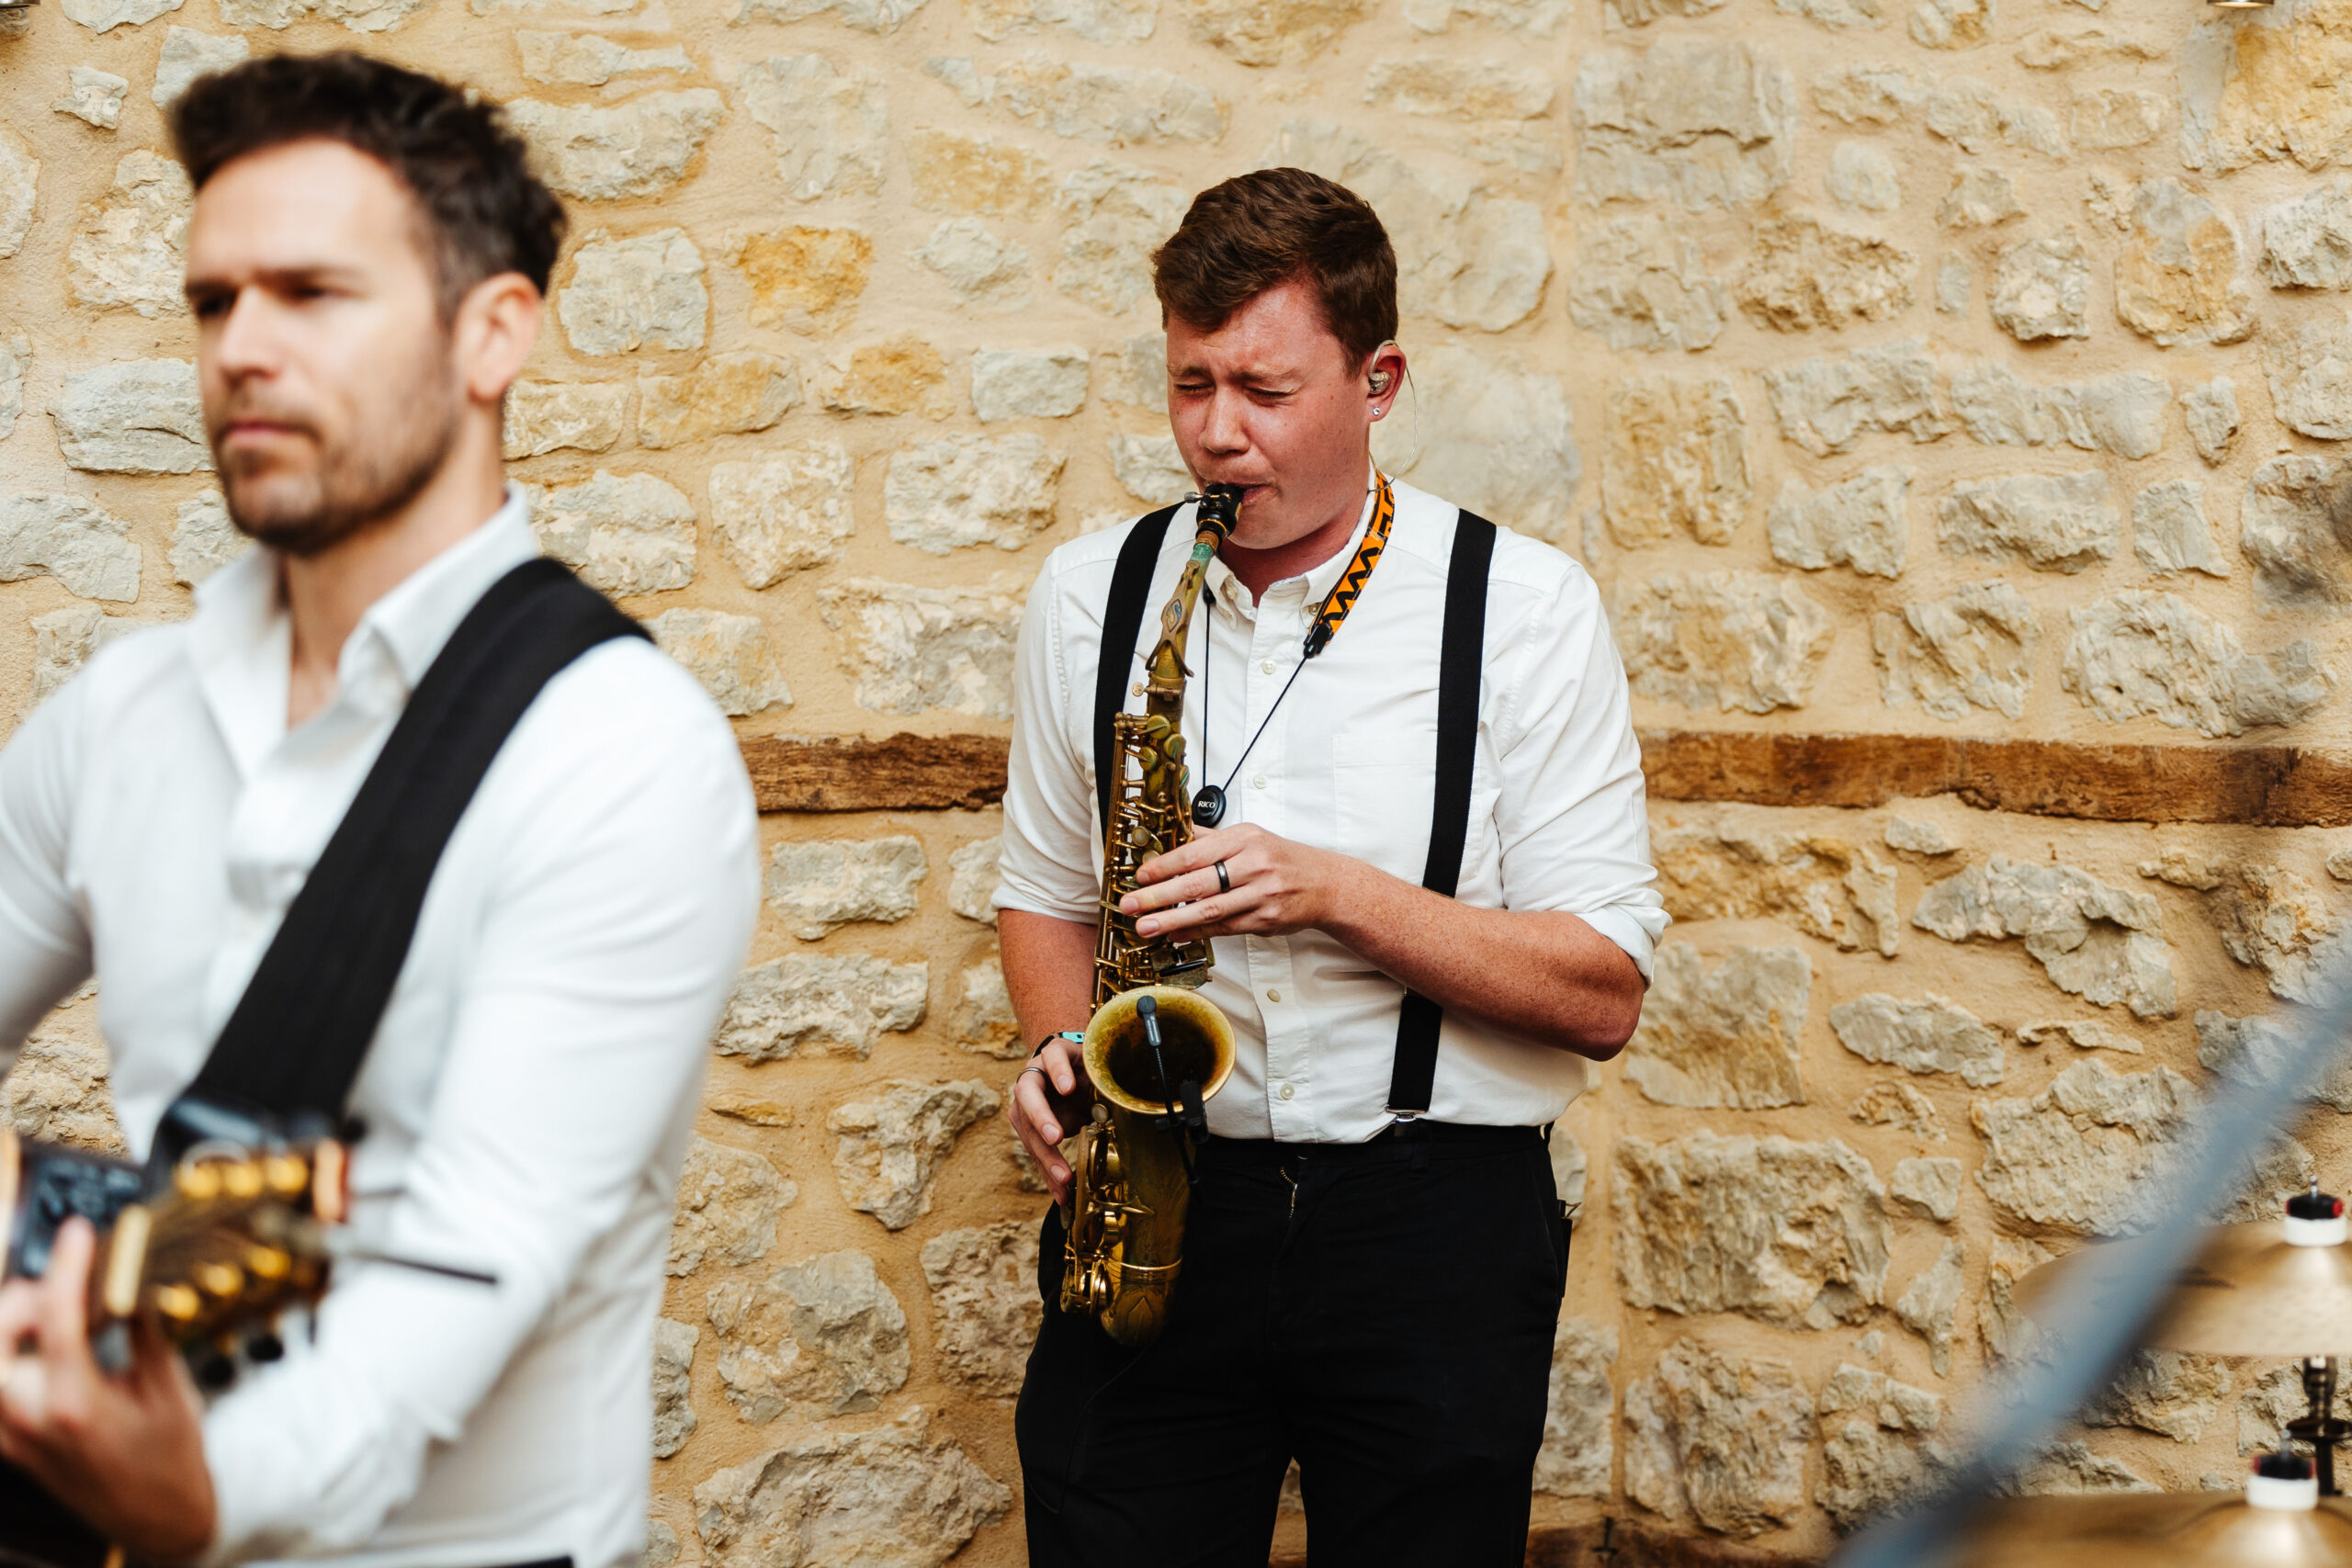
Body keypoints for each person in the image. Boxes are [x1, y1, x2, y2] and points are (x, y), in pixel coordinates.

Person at [0, 53, 758, 1568]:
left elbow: (461, 1262)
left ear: (494, 336)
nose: (240, 350)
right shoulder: (120, 714)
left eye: (311, 294)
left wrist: (204, 1501)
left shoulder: (619, 754)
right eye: (215, 301)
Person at [997, 167, 1667, 1565]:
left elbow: (1602, 993)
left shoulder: (1524, 607)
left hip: (1433, 1226)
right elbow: (1050, 893)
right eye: (1191, 386)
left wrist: (1333, 892)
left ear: (1380, 380)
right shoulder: (1090, 595)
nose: (1218, 437)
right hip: (1165, 1200)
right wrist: (1066, 1050)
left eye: (1266, 389)